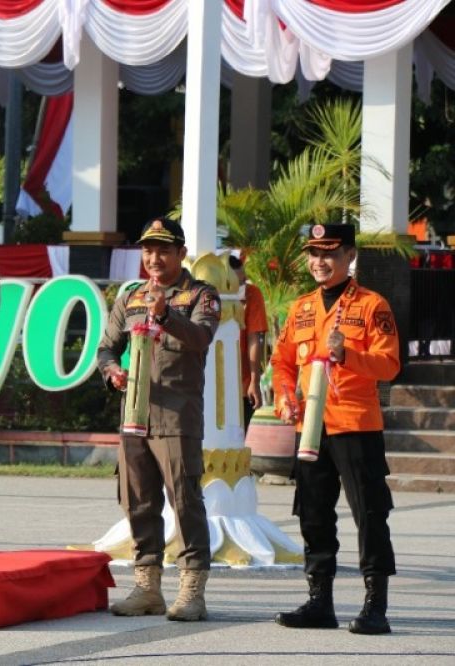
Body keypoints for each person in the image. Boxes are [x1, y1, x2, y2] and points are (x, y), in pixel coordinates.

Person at [271, 223, 400, 635]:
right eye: (314, 253)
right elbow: (282, 362)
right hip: (310, 426)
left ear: (350, 256)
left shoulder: (371, 305)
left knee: (370, 514)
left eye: (329, 253)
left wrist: (351, 355)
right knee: (312, 513)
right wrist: (284, 395)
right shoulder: (302, 307)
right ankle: (319, 602)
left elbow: (390, 364)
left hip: (356, 424)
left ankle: (375, 605)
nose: (319, 262)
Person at [96, 217, 220, 622]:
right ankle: (148, 587)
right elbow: (106, 348)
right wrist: (113, 371)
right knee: (137, 500)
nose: (154, 258)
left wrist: (167, 314)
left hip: (177, 417)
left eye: (163, 250)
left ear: (181, 253)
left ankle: (192, 590)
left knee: (185, 501)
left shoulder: (200, 294)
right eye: (148, 250)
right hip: (134, 414)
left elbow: (201, 339)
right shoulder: (129, 296)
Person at [229, 254, 268, 427]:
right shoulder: (206, 295)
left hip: (242, 385)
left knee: (237, 441)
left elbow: (255, 337)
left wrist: (254, 381)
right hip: (208, 386)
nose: (242, 286)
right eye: (237, 283)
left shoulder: (252, 294)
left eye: (243, 281)